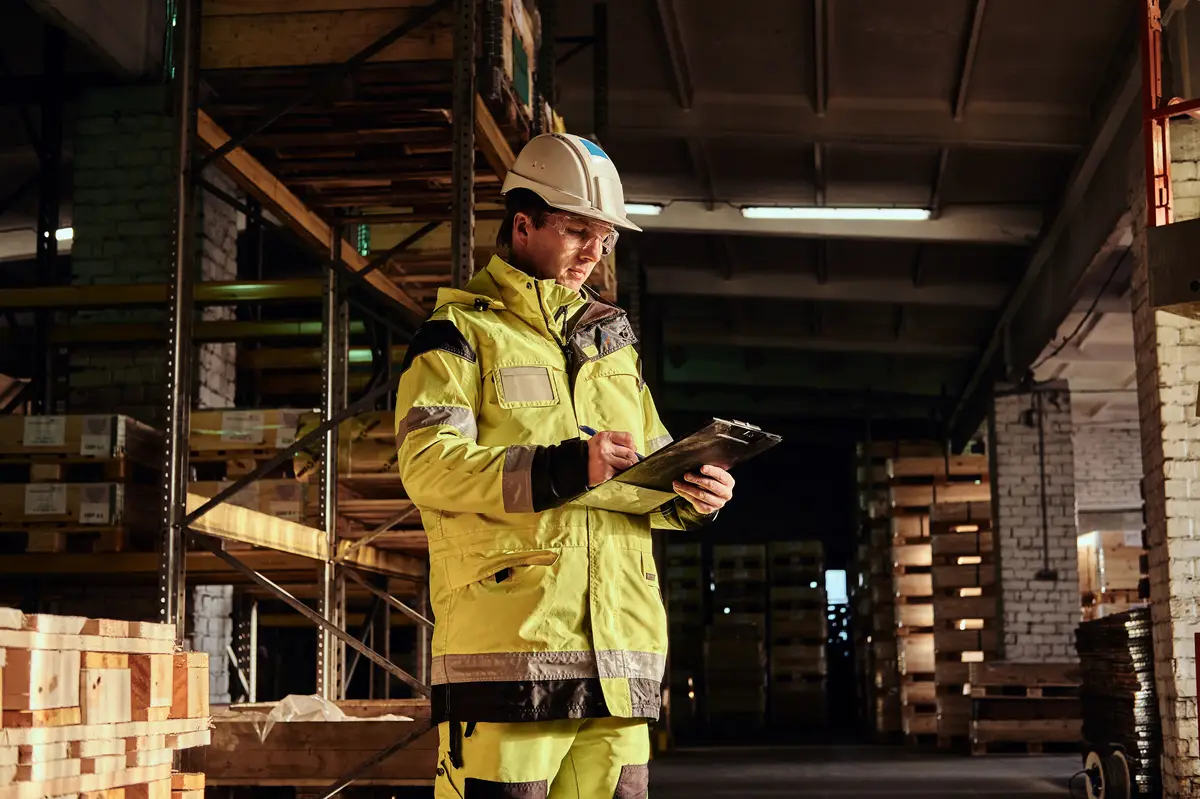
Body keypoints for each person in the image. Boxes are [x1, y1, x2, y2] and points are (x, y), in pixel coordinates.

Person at [395, 132, 735, 798]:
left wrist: (692, 491)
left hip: (621, 660)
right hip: (513, 659)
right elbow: (429, 464)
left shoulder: (613, 348)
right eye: (578, 230)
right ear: (523, 225)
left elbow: (648, 466)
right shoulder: (461, 336)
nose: (594, 252)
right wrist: (566, 466)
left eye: (605, 238)